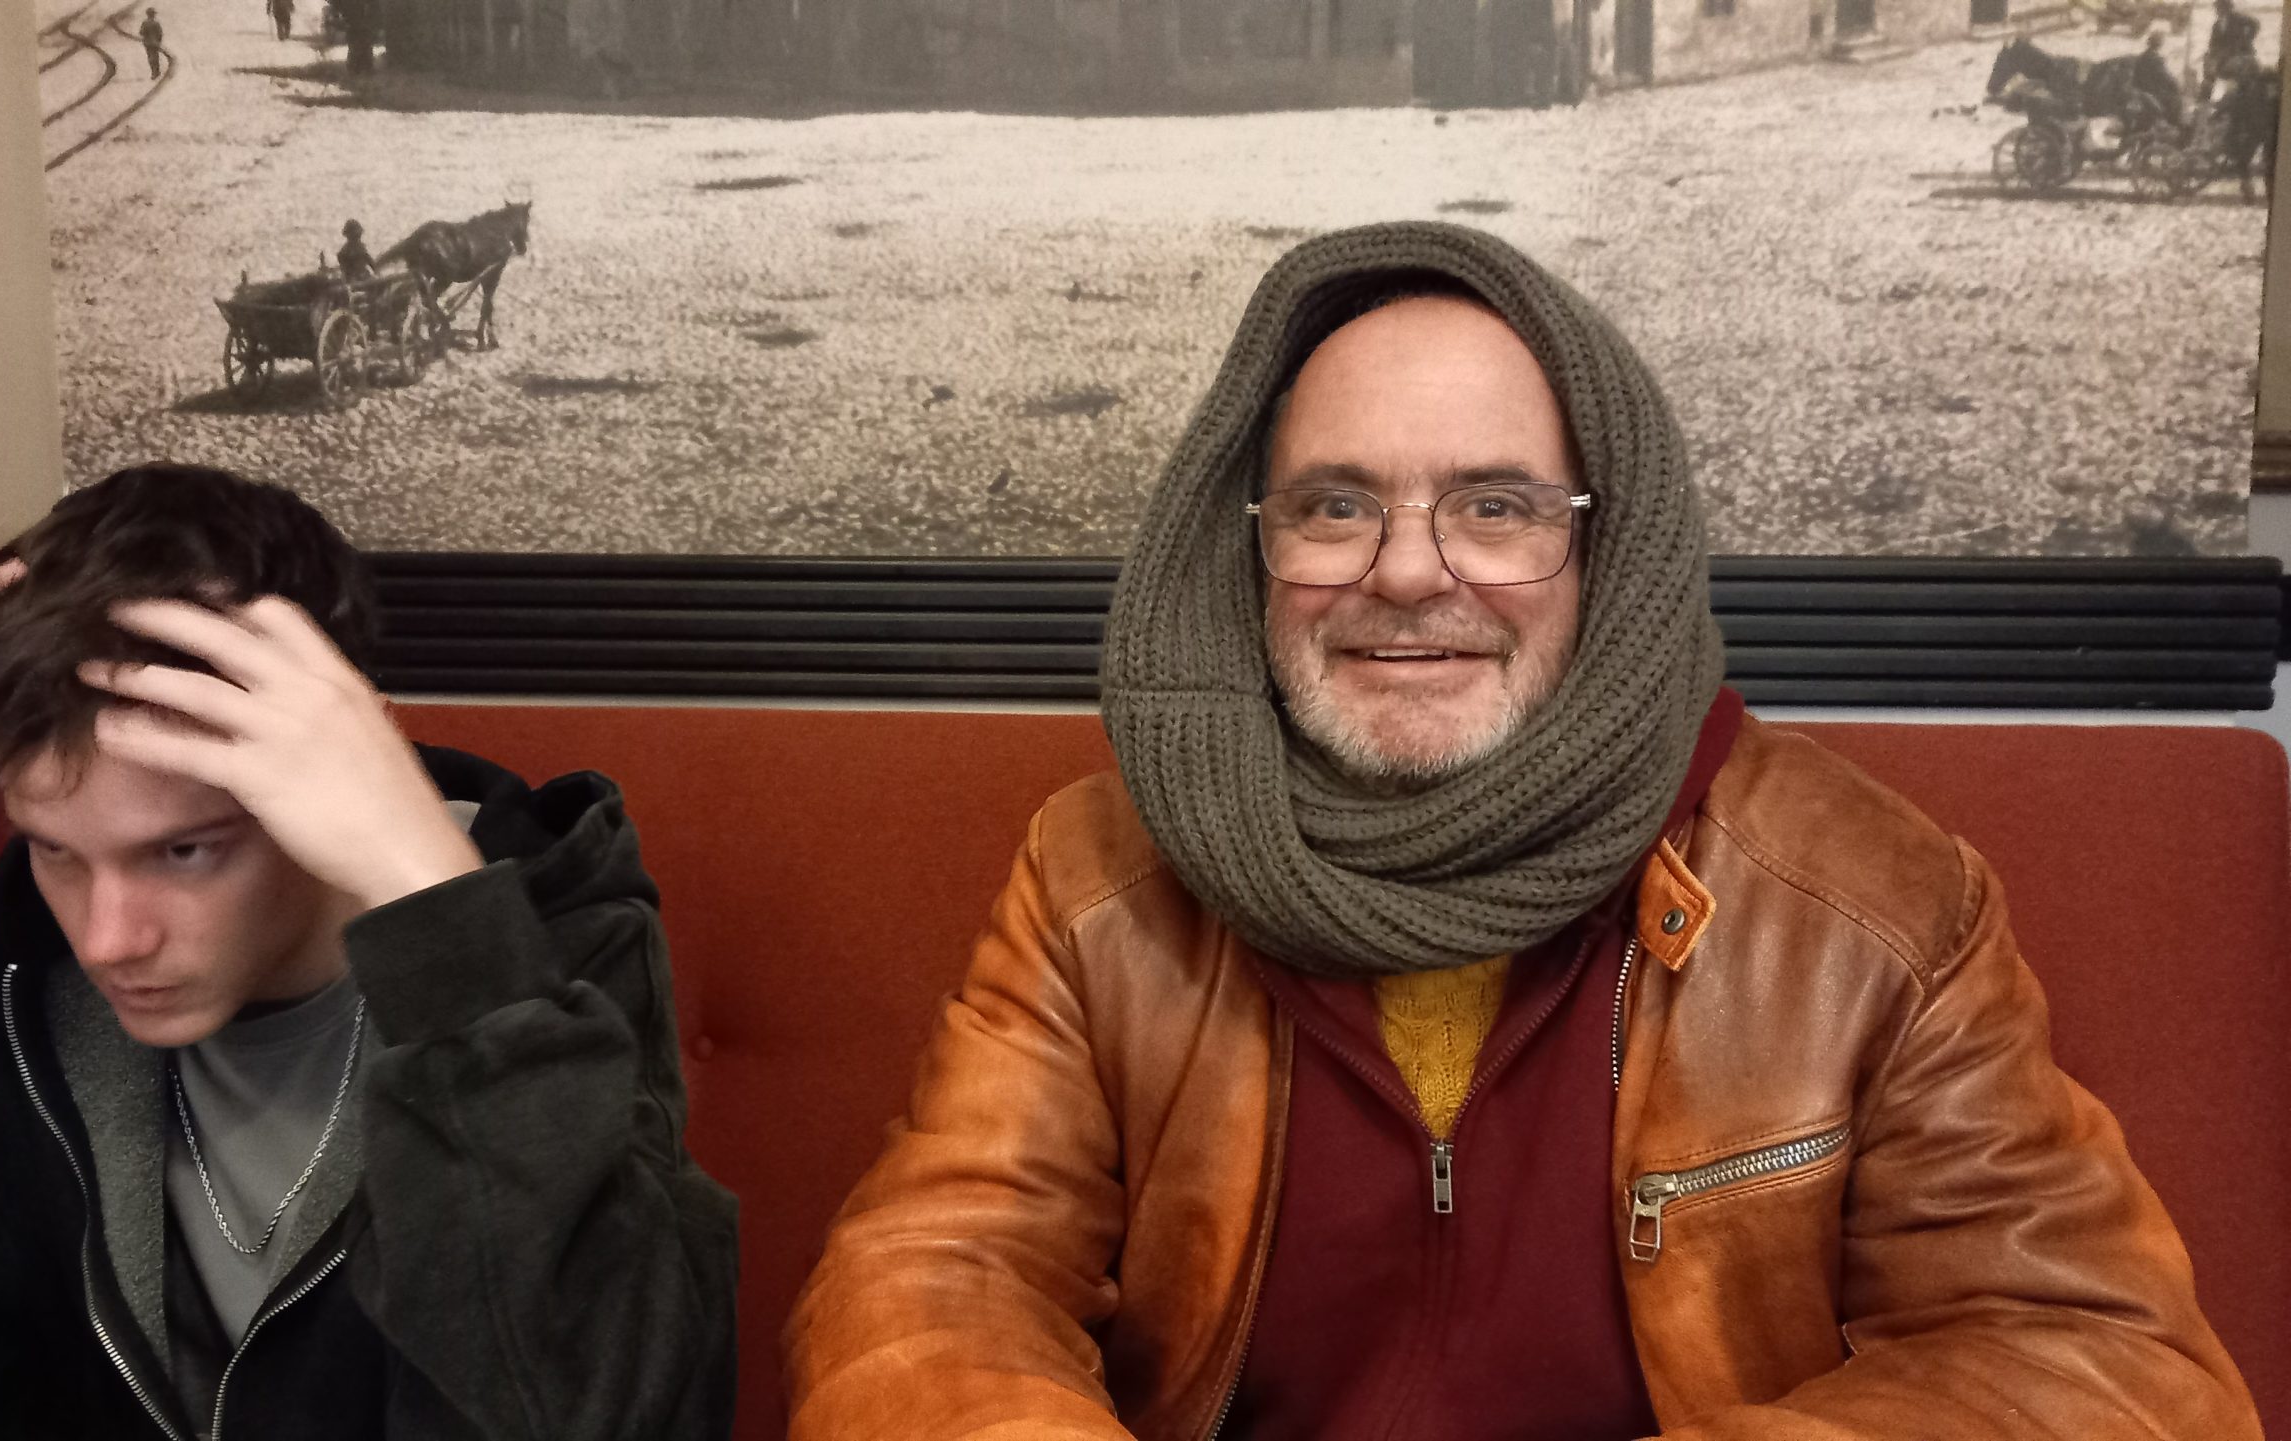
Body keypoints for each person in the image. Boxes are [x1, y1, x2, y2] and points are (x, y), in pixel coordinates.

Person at [783, 223, 2260, 1439]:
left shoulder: (1874, 905)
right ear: (1248, 551)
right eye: (1333, 507)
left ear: (1609, 552)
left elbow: (2106, 1367)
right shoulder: (1100, 872)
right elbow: (928, 1282)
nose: (1406, 574)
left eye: (1495, 508)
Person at [0, 465, 738, 1440]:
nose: (107, 938)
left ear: (327, 781)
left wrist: (444, 926)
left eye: (185, 850)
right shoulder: (10, 965)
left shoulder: (552, 946)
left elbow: (591, 1412)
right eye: (56, 850)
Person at [139, 6, 165, 79]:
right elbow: (160, 34)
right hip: (155, 43)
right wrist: (159, 41)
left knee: (150, 57)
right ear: (153, 15)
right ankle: (157, 71)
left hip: (147, 43)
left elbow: (141, 32)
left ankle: (153, 72)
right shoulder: (156, 23)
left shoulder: (145, 23)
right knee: (156, 57)